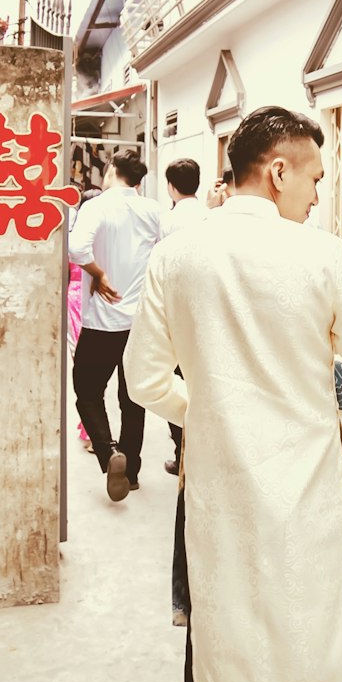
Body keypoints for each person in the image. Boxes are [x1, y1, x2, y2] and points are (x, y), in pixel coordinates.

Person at [125, 106, 342, 682]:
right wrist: (302, 385)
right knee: (313, 652)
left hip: (217, 487)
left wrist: (211, 408)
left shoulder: (176, 258)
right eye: (313, 178)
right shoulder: (324, 256)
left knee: (218, 623)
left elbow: (145, 378)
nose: (316, 195)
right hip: (306, 493)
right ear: (278, 172)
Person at [69, 149, 162, 502]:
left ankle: (110, 455)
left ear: (111, 171)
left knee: (88, 391)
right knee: (132, 397)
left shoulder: (97, 206)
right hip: (140, 323)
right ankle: (133, 471)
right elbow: (168, 253)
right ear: (139, 181)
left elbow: (76, 248)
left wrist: (99, 274)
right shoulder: (152, 210)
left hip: (101, 323)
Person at [161, 157, 205, 475]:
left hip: (178, 314)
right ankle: (203, 452)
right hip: (208, 314)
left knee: (176, 382)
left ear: (172, 187)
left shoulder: (169, 220)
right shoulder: (211, 216)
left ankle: (182, 454)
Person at [67, 188, 101, 451]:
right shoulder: (106, 241)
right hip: (103, 302)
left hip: (76, 302)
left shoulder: (75, 242)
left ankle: (90, 431)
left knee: (84, 373)